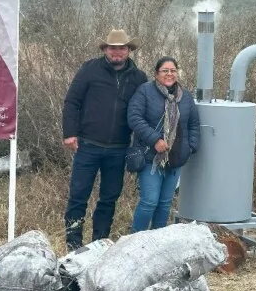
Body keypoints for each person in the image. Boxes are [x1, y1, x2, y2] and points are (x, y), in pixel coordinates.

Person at [61, 29, 147, 250]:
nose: (117, 52)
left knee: (109, 198)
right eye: (113, 48)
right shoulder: (89, 69)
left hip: (119, 148)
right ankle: (73, 243)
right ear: (105, 49)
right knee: (79, 196)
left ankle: (99, 243)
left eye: (122, 48)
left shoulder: (138, 77)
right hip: (88, 145)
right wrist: (70, 133)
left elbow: (144, 110)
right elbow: (72, 101)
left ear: (129, 50)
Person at [128, 56, 200, 232]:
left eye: (173, 70)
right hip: (150, 157)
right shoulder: (144, 91)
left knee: (165, 202)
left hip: (176, 158)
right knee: (149, 201)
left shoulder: (185, 96)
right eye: (165, 71)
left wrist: (190, 147)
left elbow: (193, 124)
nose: (169, 74)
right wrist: (155, 139)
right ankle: (135, 241)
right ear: (156, 74)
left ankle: (158, 240)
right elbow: (134, 118)